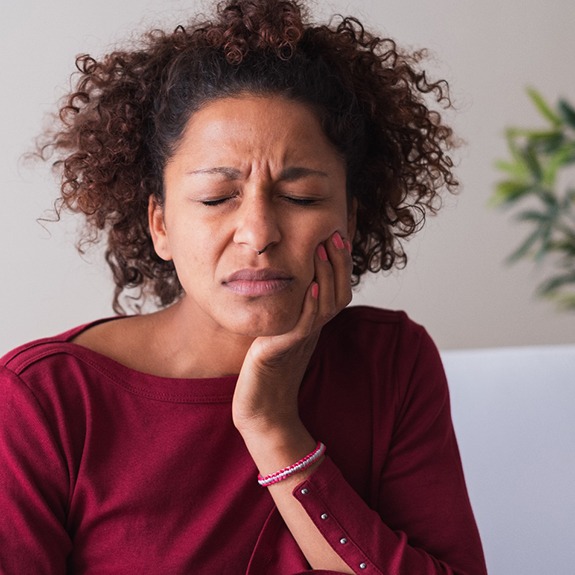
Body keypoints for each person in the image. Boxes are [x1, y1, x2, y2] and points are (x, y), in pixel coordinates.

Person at [0, 0, 487, 573]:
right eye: (215, 198)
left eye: (301, 197)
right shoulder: (42, 402)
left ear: (350, 221)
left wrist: (273, 425)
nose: (258, 234)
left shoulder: (390, 362)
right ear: (160, 224)